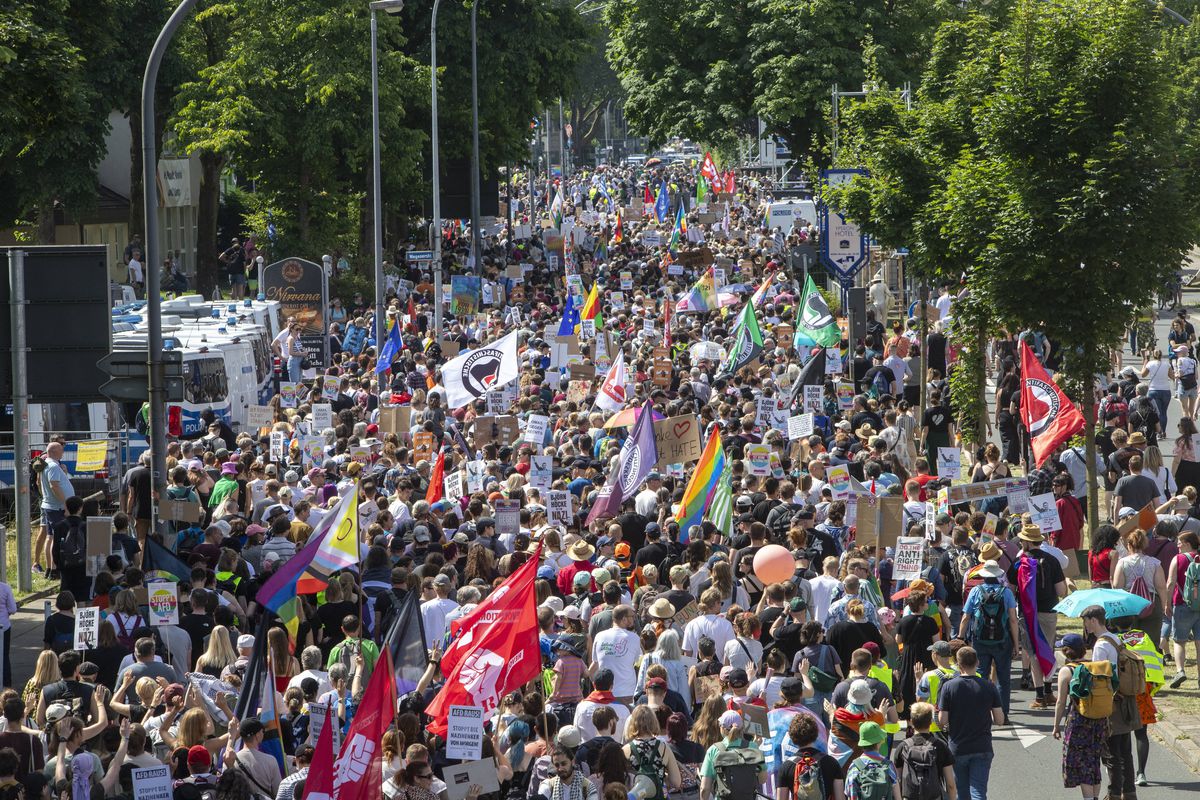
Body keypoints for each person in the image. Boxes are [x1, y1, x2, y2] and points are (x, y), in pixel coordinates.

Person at [957, 560, 1019, 722]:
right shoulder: (1006, 593)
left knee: (980, 676)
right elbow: (1013, 620)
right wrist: (1016, 645)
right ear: (998, 575)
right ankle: (1003, 715)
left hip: (980, 641)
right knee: (1003, 679)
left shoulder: (976, 591)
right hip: (1002, 641)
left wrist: (960, 638)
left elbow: (966, 617)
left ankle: (981, 714)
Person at [937, 647, 1003, 800]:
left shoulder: (949, 687)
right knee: (978, 791)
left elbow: (942, 721)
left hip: (958, 746)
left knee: (962, 793)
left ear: (958, 665)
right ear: (977, 662)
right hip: (982, 746)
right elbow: (999, 720)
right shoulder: (989, 686)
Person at [1051, 633, 1107, 800]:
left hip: (1079, 720)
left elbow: (1061, 702)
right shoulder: (1096, 666)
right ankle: (1095, 797)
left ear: (1066, 651)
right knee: (1094, 760)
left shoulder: (1067, 671)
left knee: (1081, 762)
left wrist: (1056, 725)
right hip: (1099, 719)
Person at [1111, 528, 1169, 650]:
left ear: (1129, 545)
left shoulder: (1122, 562)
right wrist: (1165, 605)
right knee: (1152, 641)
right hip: (1152, 603)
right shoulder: (1154, 563)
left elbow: (1117, 586)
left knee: (1130, 641)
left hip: (1129, 605)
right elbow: (1161, 586)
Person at [891, 702, 955, 800]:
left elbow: (897, 781)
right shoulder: (940, 746)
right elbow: (950, 784)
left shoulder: (903, 747)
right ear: (931, 721)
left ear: (911, 721)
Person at [1166, 530, 1200, 688]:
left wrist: (1166, 603)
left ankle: (1180, 671)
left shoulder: (1178, 559)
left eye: (1179, 542)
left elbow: (1170, 582)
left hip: (1181, 604)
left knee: (1179, 641)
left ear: (1187, 543)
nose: (1177, 545)